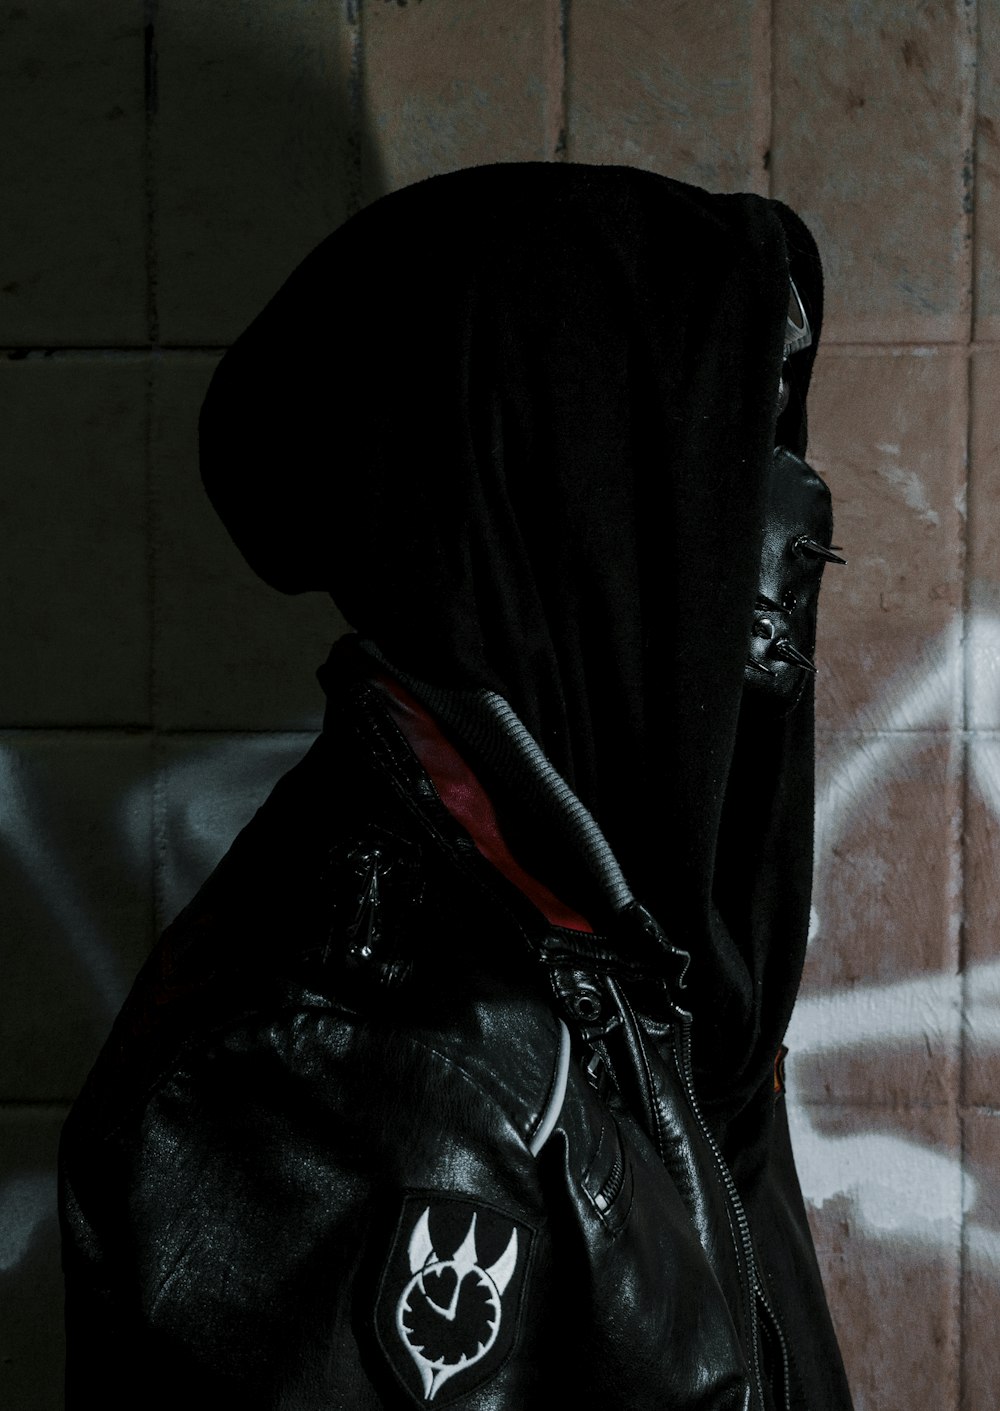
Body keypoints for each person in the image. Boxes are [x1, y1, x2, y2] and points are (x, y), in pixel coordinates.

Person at [59, 161, 853, 1409]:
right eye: (726, 441)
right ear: (558, 487)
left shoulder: (587, 921)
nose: (795, 514)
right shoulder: (352, 1079)